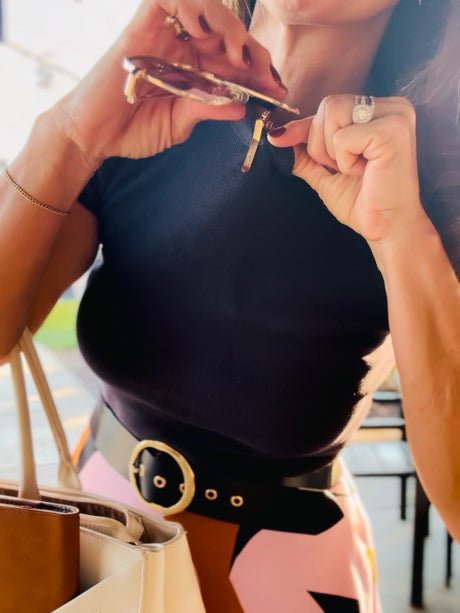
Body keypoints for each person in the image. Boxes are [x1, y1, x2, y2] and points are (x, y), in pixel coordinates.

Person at [0, 0, 459, 610]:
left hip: (282, 575)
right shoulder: (150, 90)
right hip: (97, 542)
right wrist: (67, 136)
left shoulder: (432, 167)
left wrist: (404, 235)